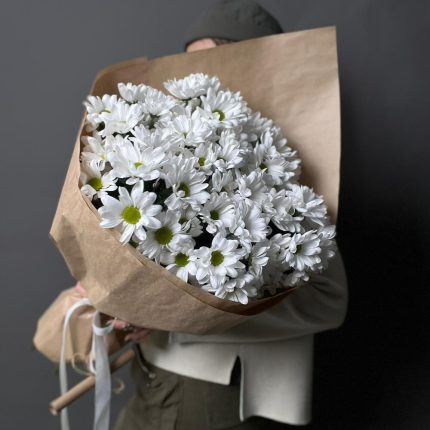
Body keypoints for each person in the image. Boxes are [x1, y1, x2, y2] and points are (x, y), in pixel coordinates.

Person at [101, 1, 348, 428]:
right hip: (154, 376)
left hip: (220, 392)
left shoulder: (287, 167)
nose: (199, 79)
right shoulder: (171, 148)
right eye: (189, 64)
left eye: (215, 61)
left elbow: (328, 301)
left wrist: (175, 315)